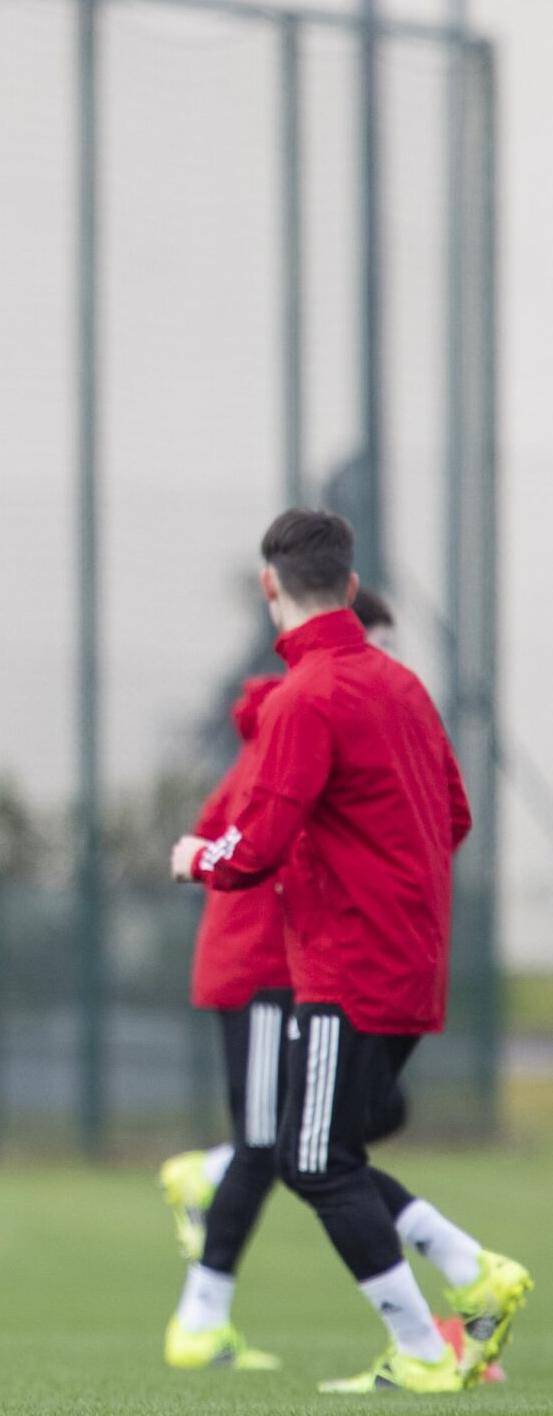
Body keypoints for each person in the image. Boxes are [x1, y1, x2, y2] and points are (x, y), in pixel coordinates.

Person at [173, 511, 531, 1392]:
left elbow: (252, 846)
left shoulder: (306, 696)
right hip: (411, 961)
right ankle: (458, 1287)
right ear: (349, 579)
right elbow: (455, 815)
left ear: (271, 586)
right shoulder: (401, 686)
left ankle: (427, 1338)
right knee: (321, 1149)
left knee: (314, 1160)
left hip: (344, 967)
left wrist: (195, 857)